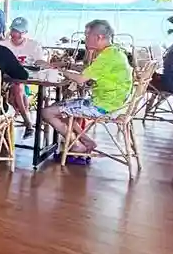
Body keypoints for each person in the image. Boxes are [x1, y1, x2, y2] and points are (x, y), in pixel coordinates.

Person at [41, 19, 133, 154]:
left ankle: (77, 145)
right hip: (116, 103)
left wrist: (57, 71)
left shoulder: (106, 57)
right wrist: (66, 66)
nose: (84, 39)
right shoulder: (114, 52)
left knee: (47, 112)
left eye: (86, 35)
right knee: (60, 106)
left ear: (99, 37)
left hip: (103, 106)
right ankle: (87, 140)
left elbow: (81, 79)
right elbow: (88, 70)